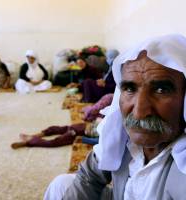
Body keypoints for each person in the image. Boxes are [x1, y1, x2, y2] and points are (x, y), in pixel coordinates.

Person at [44, 34, 186, 200]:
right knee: (62, 184)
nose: (139, 112)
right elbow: (89, 177)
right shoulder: (118, 135)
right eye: (130, 89)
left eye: (161, 90)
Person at [11, 93, 113, 149]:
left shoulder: (113, 128)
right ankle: (35, 138)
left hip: (82, 129)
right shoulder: (113, 122)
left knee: (59, 134)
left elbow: (101, 140)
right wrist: (83, 139)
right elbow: (100, 140)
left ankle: (33, 138)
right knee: (57, 137)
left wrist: (83, 139)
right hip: (81, 130)